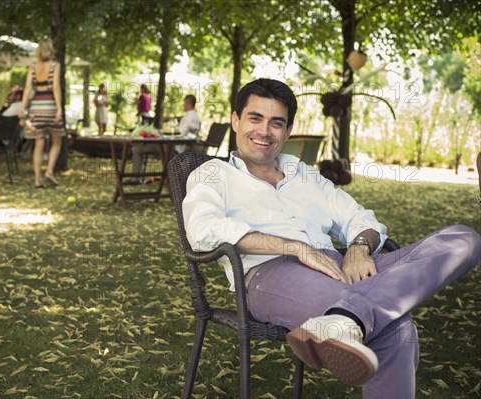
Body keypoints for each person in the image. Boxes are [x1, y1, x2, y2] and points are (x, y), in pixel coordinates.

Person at [182, 78, 481, 398]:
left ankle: (346, 318)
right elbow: (203, 230)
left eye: (276, 123)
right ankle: (350, 316)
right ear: (236, 120)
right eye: (255, 118)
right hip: (272, 274)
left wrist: (359, 248)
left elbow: (360, 218)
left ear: (287, 130)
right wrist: (293, 247)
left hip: (340, 263)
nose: (264, 131)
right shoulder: (213, 174)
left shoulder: (303, 174)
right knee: (395, 329)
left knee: (464, 240)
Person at [18, 39, 64, 188]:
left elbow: (27, 88)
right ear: (50, 50)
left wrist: (23, 108)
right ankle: (49, 171)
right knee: (56, 141)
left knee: (38, 144)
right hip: (50, 106)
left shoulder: (32, 67)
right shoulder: (55, 65)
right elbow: (56, 87)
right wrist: (59, 108)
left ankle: (37, 180)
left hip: (36, 108)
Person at [129, 94, 200, 184]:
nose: (183, 105)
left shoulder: (192, 118)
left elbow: (186, 132)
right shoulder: (189, 116)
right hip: (170, 145)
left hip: (173, 148)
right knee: (137, 148)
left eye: (184, 103)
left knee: (138, 148)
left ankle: (137, 178)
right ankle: (137, 178)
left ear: (188, 103)